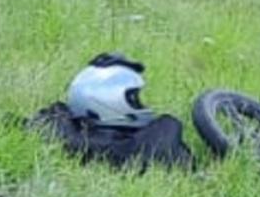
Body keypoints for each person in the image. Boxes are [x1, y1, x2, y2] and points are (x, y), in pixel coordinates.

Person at [26, 53, 193, 170]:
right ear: (110, 101)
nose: (139, 104)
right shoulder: (151, 142)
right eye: (133, 98)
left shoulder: (56, 126)